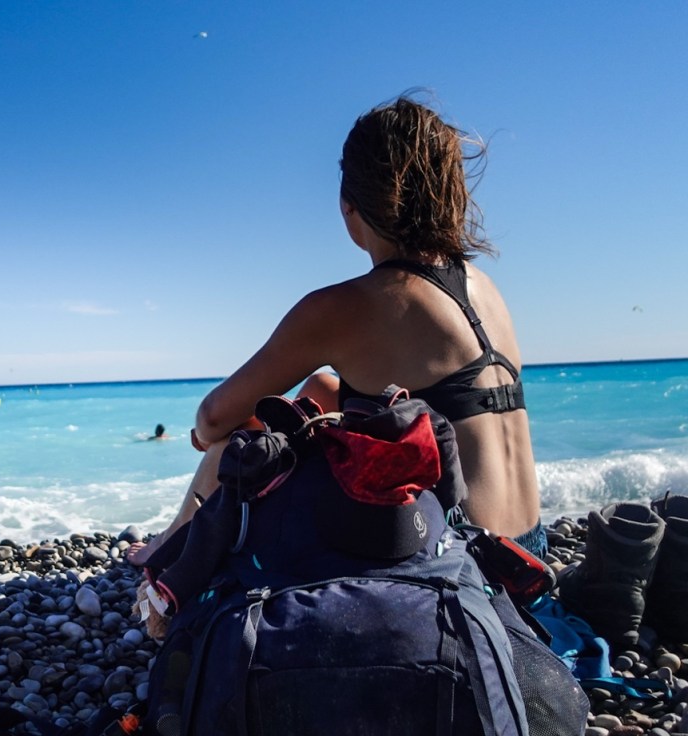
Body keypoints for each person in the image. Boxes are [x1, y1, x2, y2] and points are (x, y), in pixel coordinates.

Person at [129, 94, 543, 567]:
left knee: (234, 444)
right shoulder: (484, 288)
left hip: (458, 561)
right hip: (527, 549)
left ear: (351, 206)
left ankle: (169, 549)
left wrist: (213, 434)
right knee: (322, 389)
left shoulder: (348, 305)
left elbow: (212, 418)